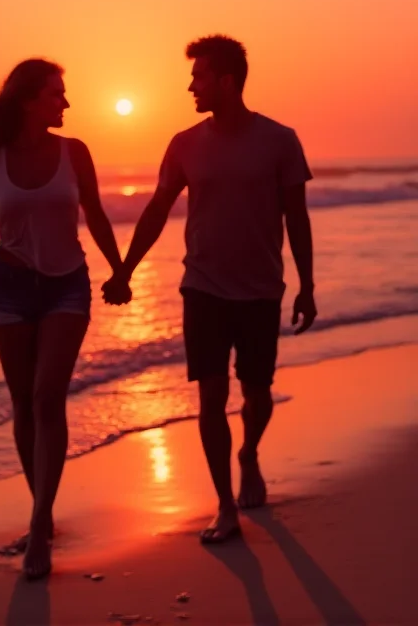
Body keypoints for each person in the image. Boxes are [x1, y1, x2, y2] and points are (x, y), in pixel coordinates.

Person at [103, 35, 317, 543]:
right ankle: (224, 505)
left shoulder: (280, 140)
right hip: (202, 287)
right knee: (211, 397)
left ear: (227, 81)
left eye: (199, 77)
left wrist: (307, 286)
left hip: (262, 289)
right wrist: (126, 269)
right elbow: (157, 209)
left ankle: (249, 453)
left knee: (258, 392)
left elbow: (297, 218)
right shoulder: (184, 144)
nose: (190, 86)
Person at [0, 58, 130, 580]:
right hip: (7, 288)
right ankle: (43, 512)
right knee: (23, 404)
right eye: (56, 94)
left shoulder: (75, 153)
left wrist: (120, 271)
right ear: (29, 100)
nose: (66, 103)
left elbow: (95, 213)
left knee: (47, 396)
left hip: (66, 285)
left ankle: (37, 526)